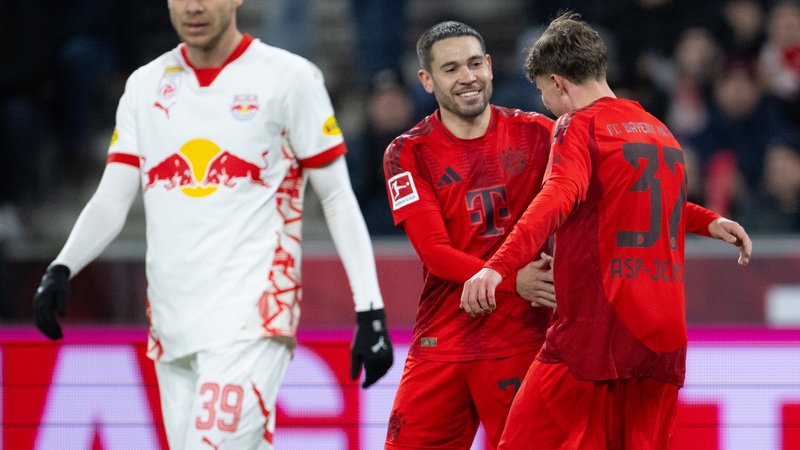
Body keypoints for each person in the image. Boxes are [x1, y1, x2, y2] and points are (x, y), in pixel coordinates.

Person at [31, 0, 393, 448]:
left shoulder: (289, 77)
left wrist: (370, 308)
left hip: (254, 316)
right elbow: (112, 197)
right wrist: (62, 266)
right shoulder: (145, 85)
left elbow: (336, 196)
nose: (194, 7)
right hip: (172, 323)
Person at [461, 13, 753, 449]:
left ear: (558, 83)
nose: (546, 105)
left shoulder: (578, 125)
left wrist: (497, 266)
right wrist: (709, 221)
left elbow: (557, 196)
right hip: (662, 342)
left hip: (597, 336)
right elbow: (653, 202)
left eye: (543, 93)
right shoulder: (658, 131)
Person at [383, 21, 556, 449]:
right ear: (427, 80)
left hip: (522, 340)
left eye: (475, 64)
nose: (468, 77)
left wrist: (698, 220)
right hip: (442, 340)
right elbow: (434, 252)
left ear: (490, 66)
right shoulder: (407, 152)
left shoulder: (540, 134)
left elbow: (608, 189)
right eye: (451, 68)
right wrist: (513, 279)